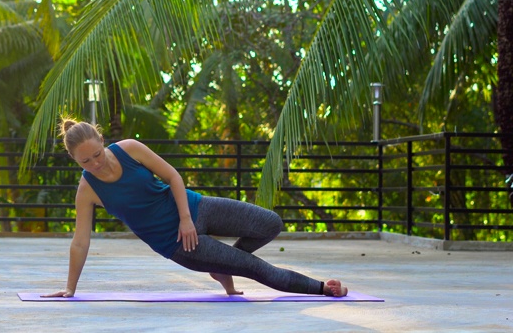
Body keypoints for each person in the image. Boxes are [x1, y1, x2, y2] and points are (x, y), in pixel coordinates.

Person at [43, 117, 348, 298]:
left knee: (270, 223)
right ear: (75, 161)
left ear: (102, 139)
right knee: (256, 269)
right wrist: (70, 289)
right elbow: (81, 241)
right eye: (86, 161)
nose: (95, 163)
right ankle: (323, 287)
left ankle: (222, 266)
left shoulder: (129, 149)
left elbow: (173, 176)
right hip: (179, 244)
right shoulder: (87, 190)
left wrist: (186, 218)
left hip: (196, 208)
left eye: (97, 154)